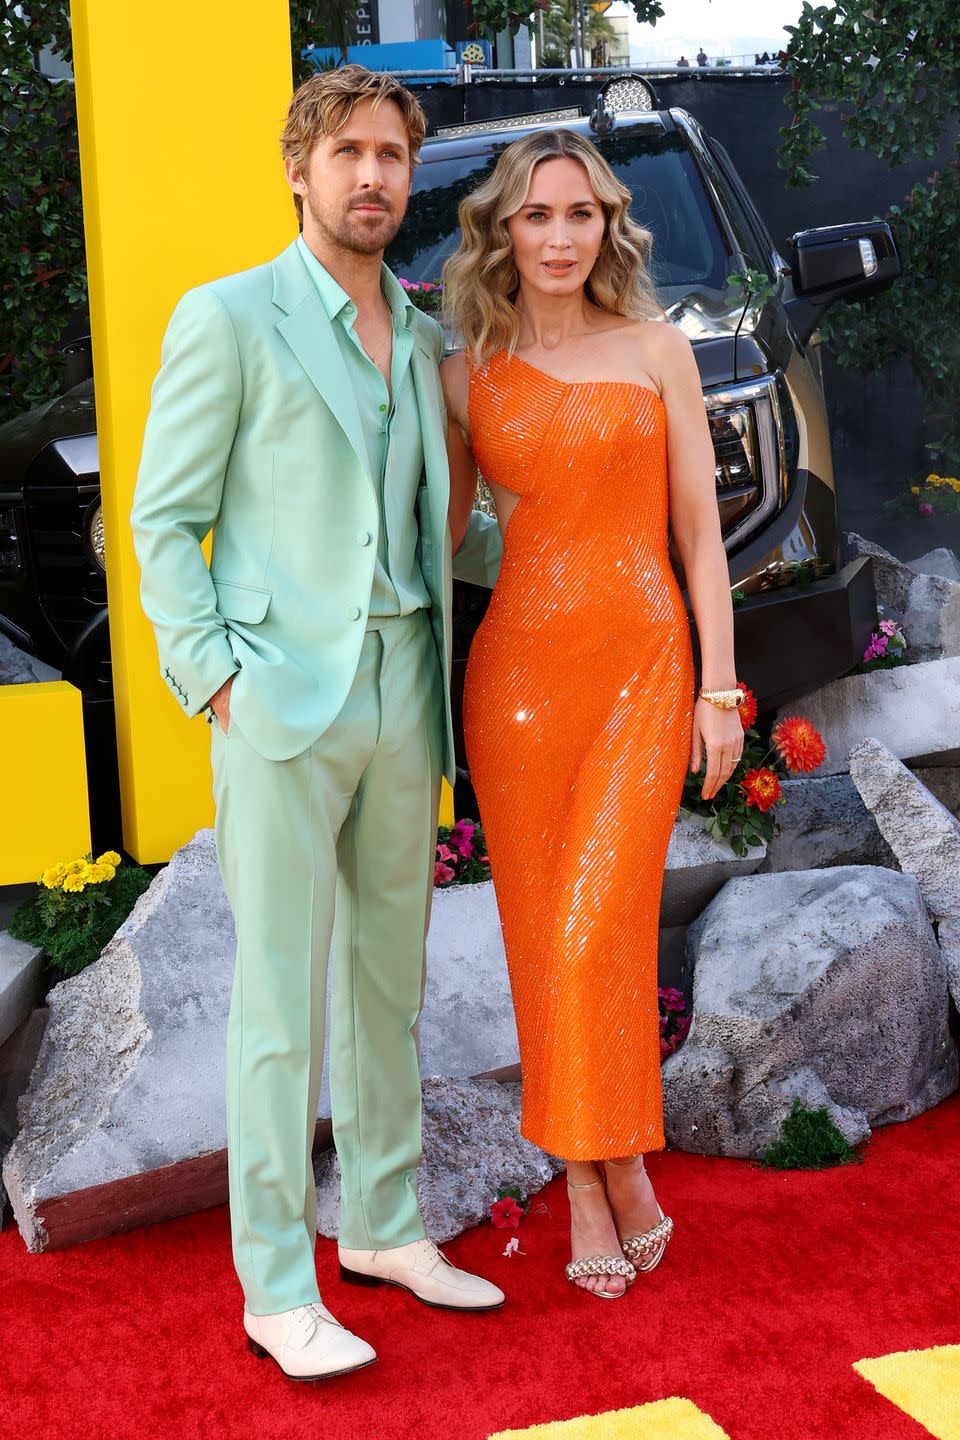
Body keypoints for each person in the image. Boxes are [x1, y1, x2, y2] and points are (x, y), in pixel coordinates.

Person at [131, 64, 506, 1382]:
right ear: (299, 167)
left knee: (386, 983)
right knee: (279, 1006)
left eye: (392, 156)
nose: (371, 177)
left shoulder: (419, 336)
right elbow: (162, 522)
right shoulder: (229, 318)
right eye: (347, 151)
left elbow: (456, 522)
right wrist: (215, 673)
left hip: (408, 689)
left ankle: (387, 1226)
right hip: (281, 700)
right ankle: (277, 1285)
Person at [439, 130, 745, 1300]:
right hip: (514, 686)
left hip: (643, 671)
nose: (561, 237)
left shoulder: (660, 349)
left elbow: (703, 541)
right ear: (501, 232)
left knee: (593, 932)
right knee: (547, 942)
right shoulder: (466, 374)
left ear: (608, 227)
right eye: (537, 216)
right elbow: (434, 540)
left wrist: (722, 689)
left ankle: (586, 1172)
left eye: (581, 215)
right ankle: (599, 1172)